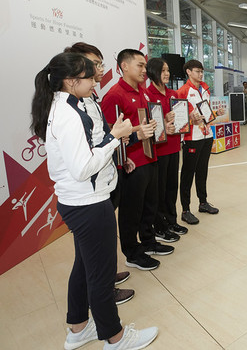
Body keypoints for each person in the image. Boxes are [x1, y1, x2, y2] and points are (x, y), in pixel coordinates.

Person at [31, 52, 158, 350]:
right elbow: (83, 167)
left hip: (82, 200)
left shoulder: (68, 106)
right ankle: (114, 337)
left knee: (84, 267)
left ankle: (77, 328)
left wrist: (114, 140)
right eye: (90, 75)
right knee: (101, 274)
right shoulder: (68, 114)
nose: (96, 80)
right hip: (87, 203)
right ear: (72, 81)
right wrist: (115, 138)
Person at [63, 42, 135, 305]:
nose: (100, 70)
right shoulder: (70, 110)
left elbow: (100, 138)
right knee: (89, 258)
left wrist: (118, 151)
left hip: (101, 181)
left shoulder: (89, 98)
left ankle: (91, 303)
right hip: (87, 193)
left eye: (102, 64)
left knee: (90, 256)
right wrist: (116, 138)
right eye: (95, 64)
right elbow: (86, 156)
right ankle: (103, 301)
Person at [102, 49, 174, 271]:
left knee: (149, 205)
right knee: (131, 211)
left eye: (145, 66)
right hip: (132, 162)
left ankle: (149, 242)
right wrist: (136, 132)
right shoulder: (115, 95)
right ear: (124, 66)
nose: (145, 70)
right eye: (140, 66)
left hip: (150, 156)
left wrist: (165, 122)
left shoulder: (142, 92)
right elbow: (109, 135)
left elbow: (149, 123)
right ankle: (132, 253)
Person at [145, 58, 188, 241]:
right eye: (163, 70)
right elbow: (148, 124)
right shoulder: (148, 95)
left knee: (172, 187)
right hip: (158, 151)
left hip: (173, 147)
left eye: (168, 70)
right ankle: (160, 226)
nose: (167, 73)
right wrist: (164, 117)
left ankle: (172, 220)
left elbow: (179, 119)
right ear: (153, 72)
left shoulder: (172, 93)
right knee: (159, 191)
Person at [177, 59, 222, 225]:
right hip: (192, 138)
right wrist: (190, 120)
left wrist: (216, 112)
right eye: (197, 71)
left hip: (206, 134)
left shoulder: (205, 88)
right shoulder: (183, 91)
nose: (200, 74)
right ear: (188, 72)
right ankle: (185, 210)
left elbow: (206, 112)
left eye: (201, 71)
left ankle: (203, 202)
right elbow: (179, 118)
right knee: (188, 173)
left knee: (202, 171)